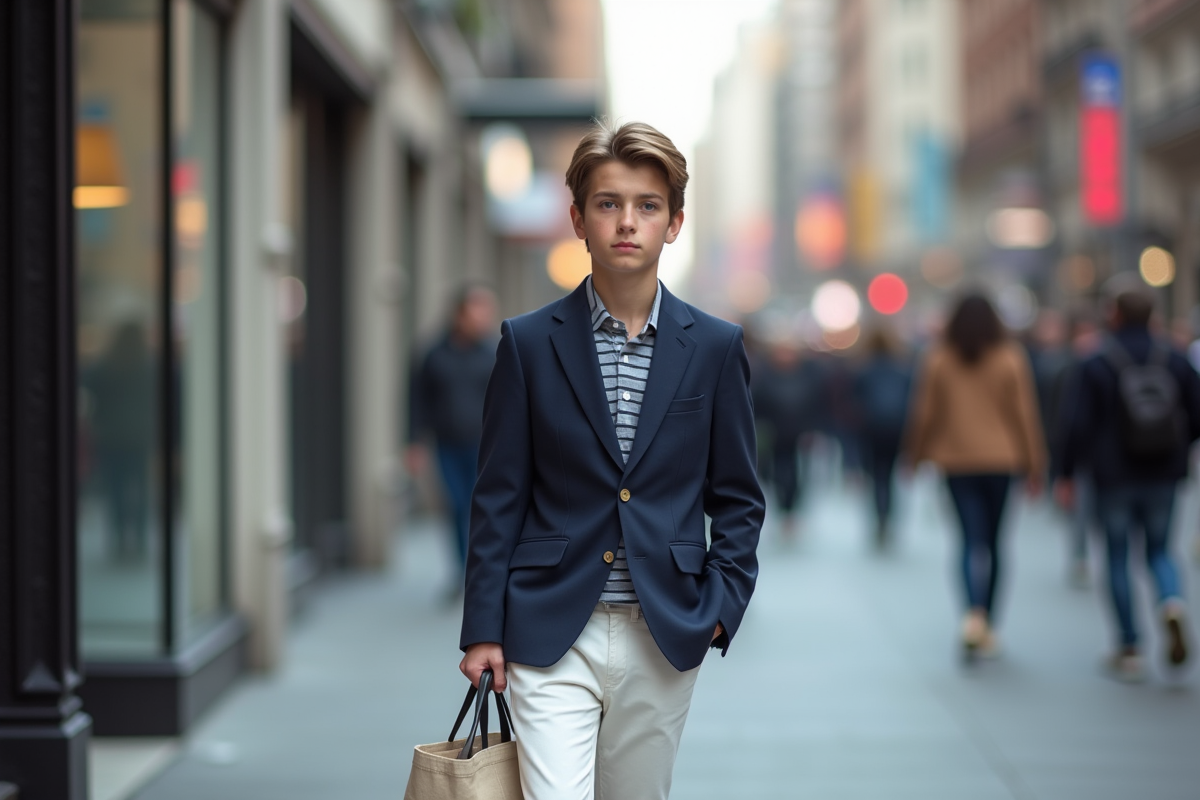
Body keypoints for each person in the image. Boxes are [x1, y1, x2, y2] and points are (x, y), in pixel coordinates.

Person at [458, 120, 764, 800]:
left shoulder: (714, 348)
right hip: (547, 627)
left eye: (648, 205)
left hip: (664, 628)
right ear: (578, 219)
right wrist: (483, 627)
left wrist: (721, 603)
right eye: (608, 203)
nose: (628, 221)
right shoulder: (527, 344)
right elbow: (497, 496)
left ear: (675, 223)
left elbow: (739, 496)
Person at [1056, 284, 1200, 682]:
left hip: (1113, 474)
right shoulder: (1174, 357)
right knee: (1160, 550)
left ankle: (1129, 646)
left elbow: (1076, 425)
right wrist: (1178, 449)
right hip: (1164, 472)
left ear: (1113, 314)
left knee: (1117, 555)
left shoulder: (1096, 362)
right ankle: (1171, 601)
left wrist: (1065, 473)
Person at [905, 292, 1045, 660]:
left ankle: (972, 616)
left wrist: (914, 457)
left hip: (956, 461)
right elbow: (1025, 415)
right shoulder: (1010, 357)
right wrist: (1035, 465)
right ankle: (990, 623)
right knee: (996, 543)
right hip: (1002, 460)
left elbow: (924, 413)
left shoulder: (938, 357)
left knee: (968, 540)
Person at [407, 284, 498, 590]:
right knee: (456, 505)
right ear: (460, 313)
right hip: (445, 444)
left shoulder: (493, 353)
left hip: (486, 446)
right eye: (478, 309)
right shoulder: (434, 354)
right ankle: (462, 570)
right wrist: (414, 443)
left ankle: (480, 570)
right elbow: (416, 399)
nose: (484, 316)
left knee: (480, 508)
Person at [752, 337, 819, 541]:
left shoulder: (807, 376)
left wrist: (813, 429)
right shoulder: (766, 377)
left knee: (797, 474)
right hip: (775, 434)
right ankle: (783, 508)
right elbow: (757, 403)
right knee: (777, 473)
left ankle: (791, 511)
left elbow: (815, 405)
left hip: (799, 435)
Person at [854, 326, 912, 550]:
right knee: (889, 477)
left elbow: (855, 401)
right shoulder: (903, 369)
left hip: (871, 430)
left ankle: (879, 517)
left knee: (876, 477)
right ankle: (888, 518)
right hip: (896, 429)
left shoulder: (863, 369)